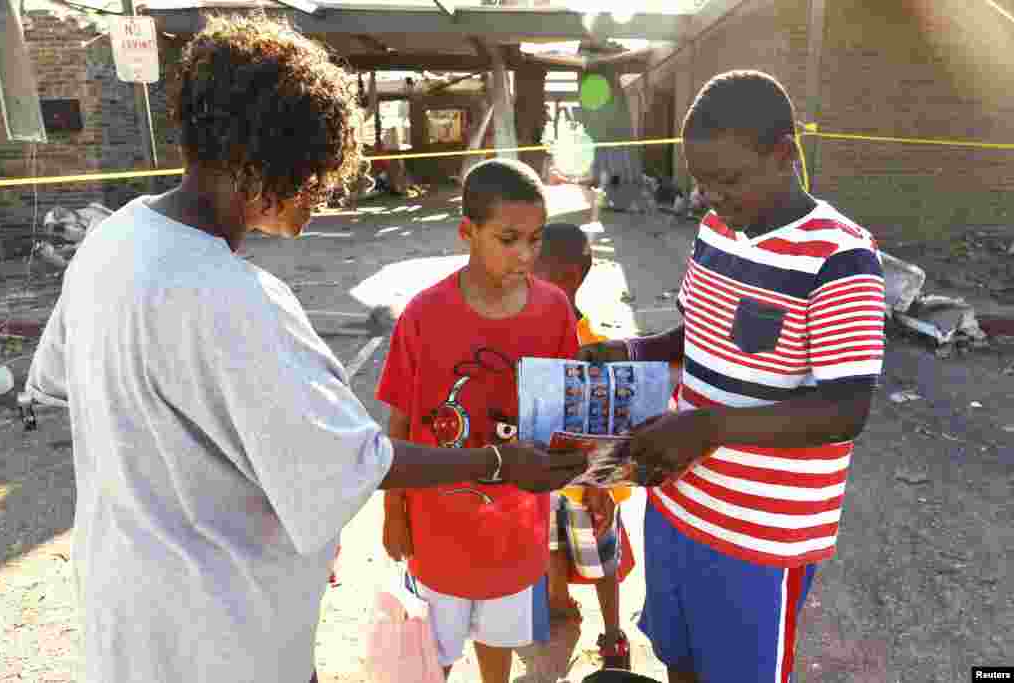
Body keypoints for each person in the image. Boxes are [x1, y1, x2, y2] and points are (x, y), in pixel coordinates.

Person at [23, 16, 586, 683]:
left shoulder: (108, 244)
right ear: (266, 160)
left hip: (125, 620)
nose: (325, 192)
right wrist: (496, 461)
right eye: (320, 172)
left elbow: (56, 378)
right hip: (227, 639)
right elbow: (358, 459)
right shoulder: (237, 301)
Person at [579, 70, 885, 683]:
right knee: (679, 658)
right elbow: (695, 337)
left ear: (784, 154)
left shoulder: (840, 257)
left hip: (759, 539)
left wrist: (711, 427)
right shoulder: (718, 230)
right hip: (676, 504)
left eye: (730, 179)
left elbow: (845, 409)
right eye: (703, 182)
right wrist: (632, 349)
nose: (713, 196)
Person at [378, 159, 581, 683]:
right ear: (467, 232)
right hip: (438, 532)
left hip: (518, 531)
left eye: (535, 240)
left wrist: (593, 481)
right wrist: (394, 514)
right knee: (434, 655)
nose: (525, 255)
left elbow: (567, 413)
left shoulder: (554, 311)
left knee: (499, 643)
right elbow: (398, 424)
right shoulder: (423, 316)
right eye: (508, 239)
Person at [532, 222, 634, 670]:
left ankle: (613, 634)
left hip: (587, 485)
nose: (527, 274)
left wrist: (603, 485)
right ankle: (559, 609)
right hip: (543, 478)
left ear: (573, 274)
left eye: (539, 267)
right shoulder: (530, 337)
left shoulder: (593, 346)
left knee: (603, 558)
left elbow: (612, 426)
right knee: (550, 548)